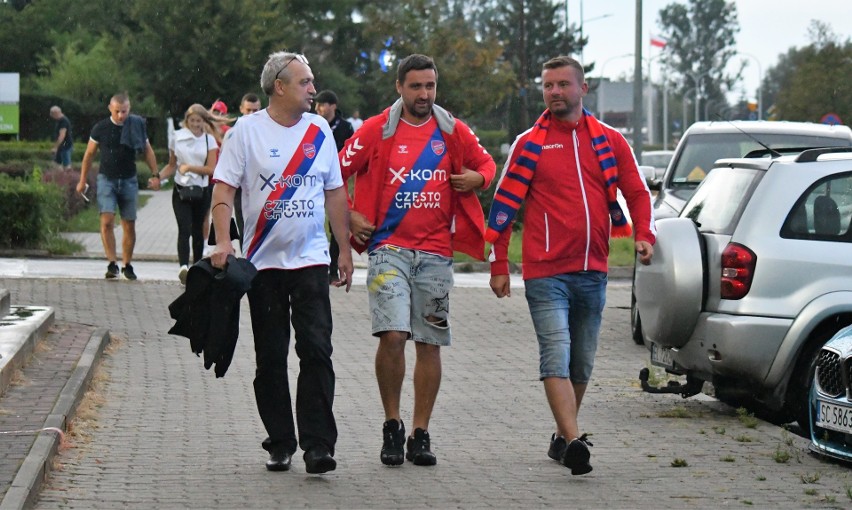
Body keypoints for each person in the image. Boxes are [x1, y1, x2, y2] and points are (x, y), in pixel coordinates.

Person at [486, 56, 656, 475]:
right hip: (546, 271)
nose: (555, 92)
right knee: (556, 355)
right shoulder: (530, 142)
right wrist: (499, 264)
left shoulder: (610, 139)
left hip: (594, 270)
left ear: (583, 88)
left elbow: (636, 191)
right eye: (548, 86)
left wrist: (643, 235)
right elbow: (504, 207)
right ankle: (576, 441)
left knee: (581, 363)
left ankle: (564, 437)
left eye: (563, 84)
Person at [340, 54, 496, 467]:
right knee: (393, 335)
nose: (424, 94)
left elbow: (486, 164)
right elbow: (332, 172)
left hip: (435, 255)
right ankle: (391, 424)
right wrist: (350, 213)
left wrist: (479, 179)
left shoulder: (452, 130)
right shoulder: (377, 129)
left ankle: (420, 432)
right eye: (416, 87)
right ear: (399, 88)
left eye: (430, 86)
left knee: (430, 342)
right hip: (387, 249)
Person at [209, 51, 353, 474]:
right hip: (263, 264)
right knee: (271, 357)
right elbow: (223, 190)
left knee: (316, 350)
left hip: (310, 261)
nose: (314, 88)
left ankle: (318, 445)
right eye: (305, 82)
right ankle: (280, 440)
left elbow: (335, 192)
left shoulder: (319, 130)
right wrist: (223, 242)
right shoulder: (245, 133)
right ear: (280, 87)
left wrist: (342, 248)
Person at [76, 92, 159, 280]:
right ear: (110, 109)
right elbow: (89, 155)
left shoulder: (135, 125)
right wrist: (82, 180)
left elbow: (147, 150)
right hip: (107, 179)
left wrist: (155, 174)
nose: (121, 115)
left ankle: (127, 264)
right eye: (117, 111)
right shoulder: (101, 128)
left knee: (129, 223)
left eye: (124, 111)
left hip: (129, 179)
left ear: (129, 109)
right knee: (107, 221)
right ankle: (112, 263)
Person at [157, 104, 221, 284]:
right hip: (181, 189)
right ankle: (183, 267)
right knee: (184, 228)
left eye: (198, 121)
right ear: (187, 121)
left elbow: (211, 169)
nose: (195, 124)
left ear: (203, 122)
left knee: (198, 230)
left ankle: (197, 266)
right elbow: (172, 164)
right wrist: (158, 177)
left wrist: (189, 168)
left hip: (201, 190)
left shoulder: (209, 141)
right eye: (192, 121)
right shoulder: (177, 137)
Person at [314, 90, 354, 284]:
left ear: (333, 106)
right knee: (313, 221)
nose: (318, 108)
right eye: (317, 104)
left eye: (322, 104)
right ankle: (317, 265)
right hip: (314, 181)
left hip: (337, 182)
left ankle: (333, 269)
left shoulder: (345, 127)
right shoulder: (312, 125)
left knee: (337, 225)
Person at [224, 93, 263, 247]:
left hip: (262, 186)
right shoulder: (232, 133)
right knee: (244, 227)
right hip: (241, 188)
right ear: (241, 109)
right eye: (248, 110)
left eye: (255, 110)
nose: (251, 114)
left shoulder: (266, 133)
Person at [49, 106, 73, 171]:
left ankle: (68, 179)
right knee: (56, 164)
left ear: (55, 113)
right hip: (62, 146)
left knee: (67, 167)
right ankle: (60, 178)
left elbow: (62, 135)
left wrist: (55, 147)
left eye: (51, 114)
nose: (51, 116)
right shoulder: (60, 120)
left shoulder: (63, 121)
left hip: (65, 146)